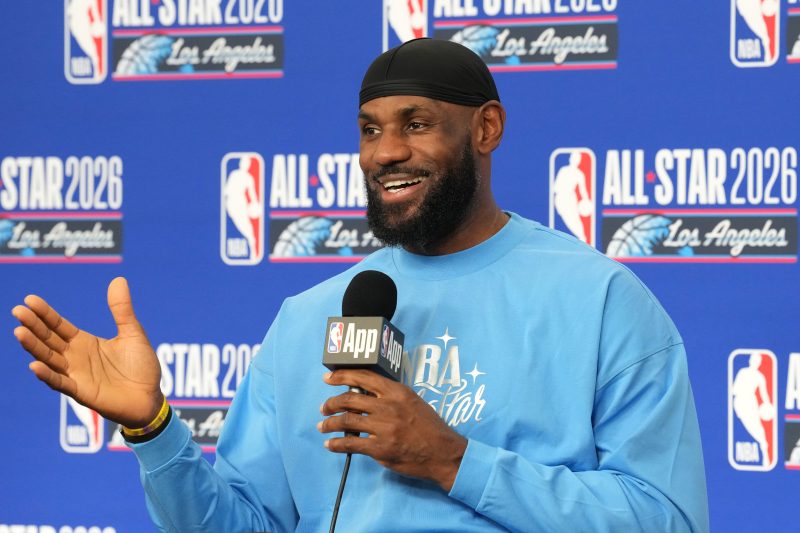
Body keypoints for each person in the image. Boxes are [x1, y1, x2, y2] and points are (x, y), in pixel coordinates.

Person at [12, 38, 709, 532]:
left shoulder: (600, 299)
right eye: (370, 130)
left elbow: (666, 519)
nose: (386, 153)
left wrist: (453, 460)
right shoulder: (309, 316)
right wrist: (153, 428)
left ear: (487, 128)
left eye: (416, 125)